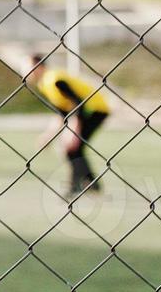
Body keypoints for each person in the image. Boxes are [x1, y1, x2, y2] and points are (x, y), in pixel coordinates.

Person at [27, 52, 110, 198]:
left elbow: (79, 103)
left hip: (95, 109)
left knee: (72, 147)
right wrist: (48, 136)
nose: (26, 72)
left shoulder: (55, 80)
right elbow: (62, 113)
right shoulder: (45, 84)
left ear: (39, 67)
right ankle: (92, 183)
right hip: (88, 111)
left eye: (29, 67)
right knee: (72, 148)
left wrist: (74, 130)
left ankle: (78, 184)